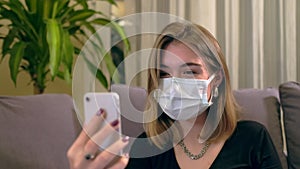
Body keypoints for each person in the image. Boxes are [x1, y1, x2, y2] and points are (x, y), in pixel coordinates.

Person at [67, 22, 282, 169]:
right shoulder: (147, 148)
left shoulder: (253, 138)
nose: (176, 85)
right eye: (164, 74)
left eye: (190, 71)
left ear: (216, 78)